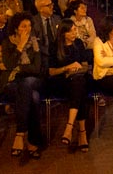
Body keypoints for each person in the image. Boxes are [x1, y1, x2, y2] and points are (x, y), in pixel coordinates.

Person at [0, 12, 43, 159]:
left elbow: (36, 68)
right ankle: (33, 142)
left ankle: (20, 133)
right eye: (23, 26)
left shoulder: (35, 43)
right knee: (34, 97)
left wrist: (18, 69)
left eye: (29, 25)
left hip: (32, 79)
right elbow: (9, 63)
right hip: (12, 84)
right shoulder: (8, 43)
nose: (28, 29)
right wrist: (20, 46)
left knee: (27, 83)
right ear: (16, 29)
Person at [47, 19, 90, 152]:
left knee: (79, 83)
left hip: (78, 79)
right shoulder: (55, 46)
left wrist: (77, 69)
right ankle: (82, 132)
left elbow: (86, 65)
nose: (74, 33)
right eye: (70, 31)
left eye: (74, 30)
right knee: (80, 90)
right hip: (61, 82)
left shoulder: (78, 43)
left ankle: (69, 127)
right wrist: (67, 68)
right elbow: (51, 71)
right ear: (63, 33)